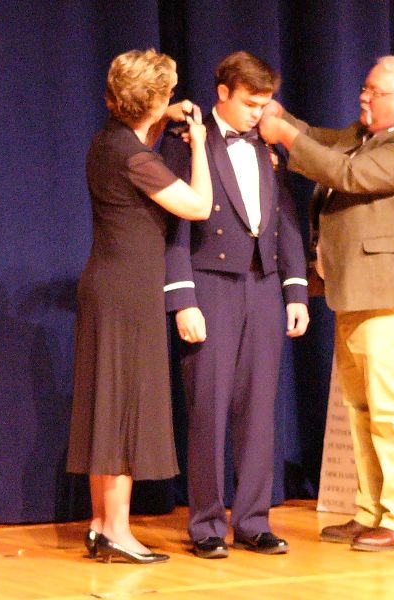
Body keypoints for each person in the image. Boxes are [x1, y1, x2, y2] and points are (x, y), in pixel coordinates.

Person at [259, 56, 394, 551]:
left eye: (373, 90)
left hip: (390, 296)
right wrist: (283, 118)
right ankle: (371, 511)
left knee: (392, 411)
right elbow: (320, 140)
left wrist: (283, 135)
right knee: (361, 408)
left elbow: (346, 173)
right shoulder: (367, 136)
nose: (363, 96)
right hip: (356, 293)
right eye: (364, 87)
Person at [66, 48, 212, 565]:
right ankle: (119, 532)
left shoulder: (109, 142)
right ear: (155, 99)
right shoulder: (134, 156)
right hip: (127, 291)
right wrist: (199, 148)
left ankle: (103, 526)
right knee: (124, 406)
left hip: (108, 284)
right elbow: (197, 206)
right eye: (167, 95)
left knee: (107, 404)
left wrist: (159, 119)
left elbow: (138, 139)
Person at [161, 51, 309, 559]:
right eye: (250, 103)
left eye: (265, 103)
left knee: (258, 410)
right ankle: (205, 523)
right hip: (210, 287)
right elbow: (172, 228)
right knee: (207, 408)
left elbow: (284, 219)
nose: (258, 114)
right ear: (222, 93)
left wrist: (296, 290)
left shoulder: (266, 148)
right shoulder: (187, 145)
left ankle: (252, 519)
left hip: (264, 287)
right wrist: (182, 299)